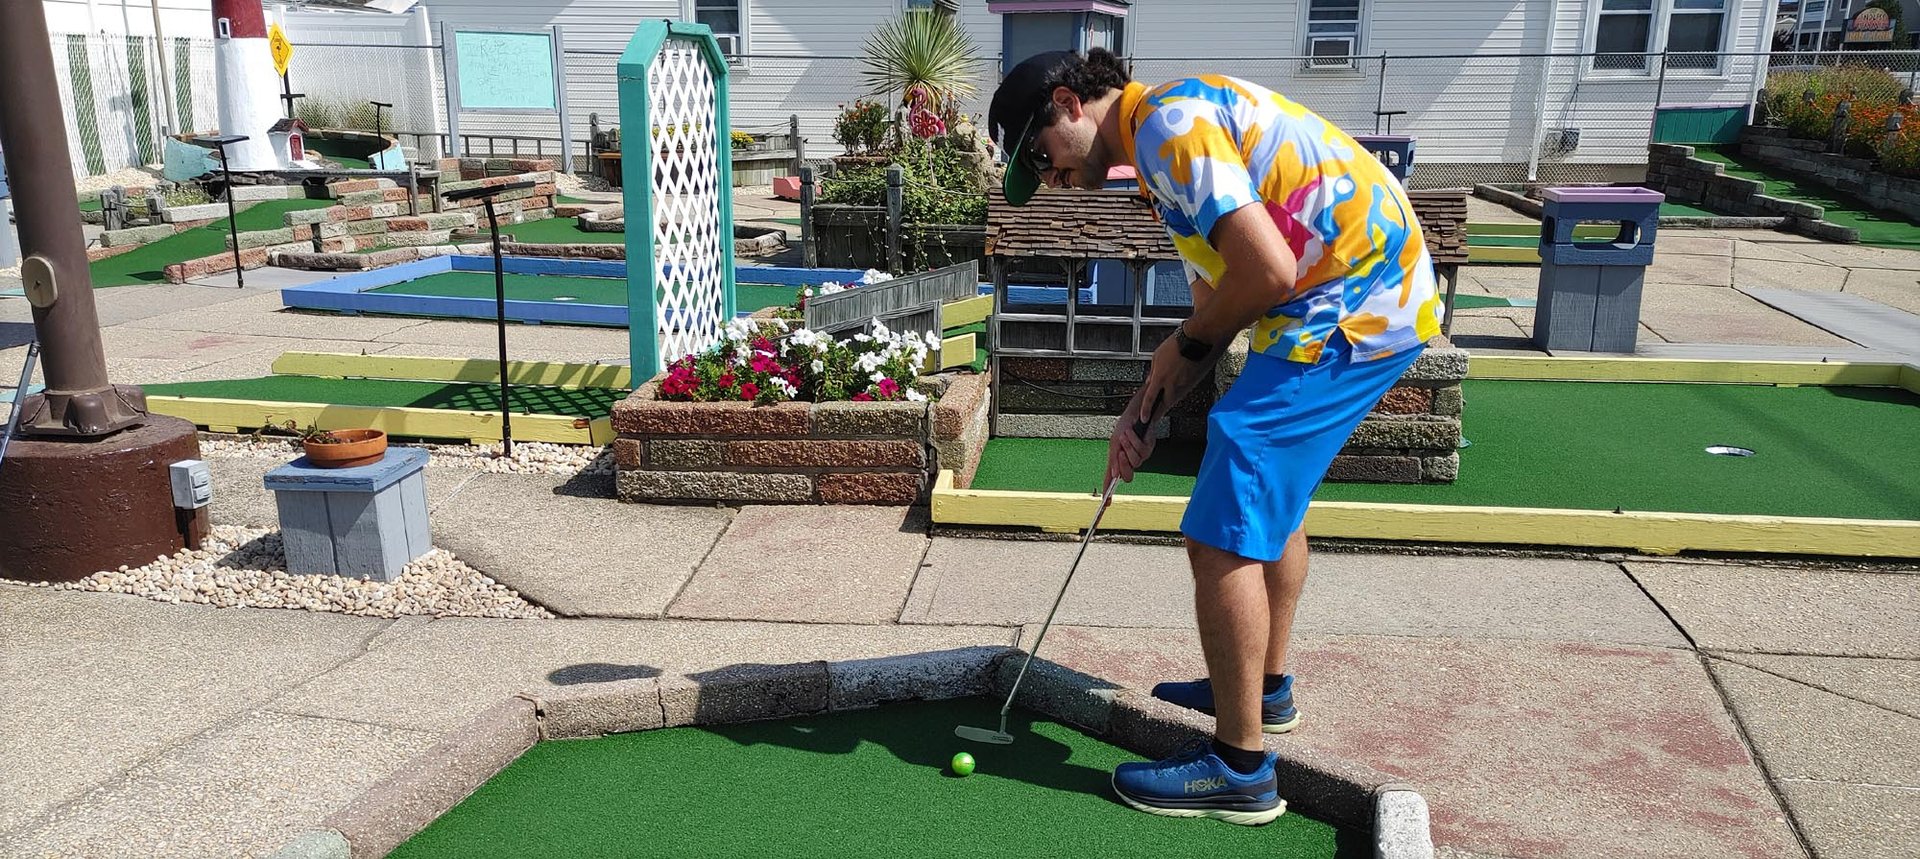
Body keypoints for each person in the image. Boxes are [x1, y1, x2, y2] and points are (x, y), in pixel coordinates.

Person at [988, 49, 1443, 826]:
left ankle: (1240, 768)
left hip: (1350, 302)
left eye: (1043, 156)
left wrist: (1182, 350)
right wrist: (1145, 409)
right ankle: (1264, 688)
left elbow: (1263, 273)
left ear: (1070, 104)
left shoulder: (1167, 126)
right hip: (1361, 294)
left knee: (1220, 530)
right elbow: (1216, 310)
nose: (1053, 178)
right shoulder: (1165, 137)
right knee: (1270, 496)